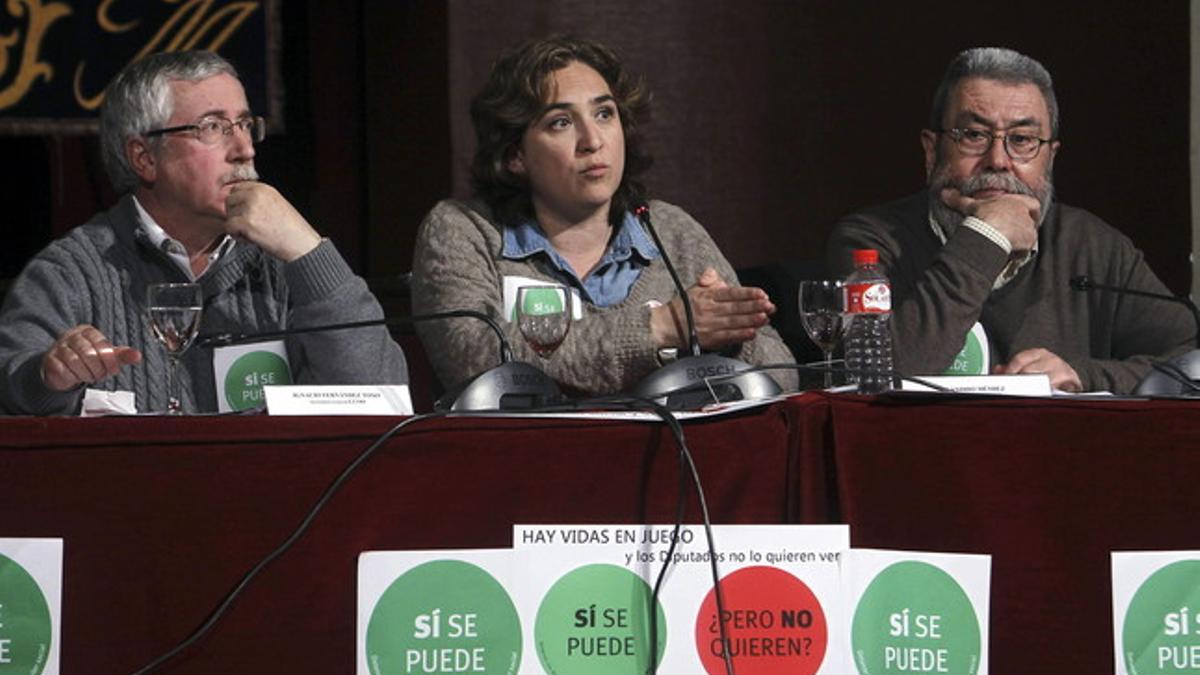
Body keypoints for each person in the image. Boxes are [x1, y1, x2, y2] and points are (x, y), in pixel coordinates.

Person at [0, 50, 407, 415]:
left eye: (246, 125)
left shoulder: (285, 262)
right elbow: (14, 390)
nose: (244, 149)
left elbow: (382, 399)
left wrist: (309, 252)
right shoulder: (71, 273)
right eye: (213, 127)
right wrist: (49, 378)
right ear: (144, 158)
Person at [412, 35, 796, 396]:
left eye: (604, 114)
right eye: (560, 122)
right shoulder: (464, 231)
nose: (593, 141)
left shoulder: (669, 230)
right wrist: (662, 329)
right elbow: (478, 362)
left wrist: (726, 336)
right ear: (515, 155)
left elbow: (781, 374)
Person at [826, 47, 1193, 393]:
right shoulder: (872, 243)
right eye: (973, 135)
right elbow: (876, 378)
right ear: (931, 149)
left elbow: (1190, 359)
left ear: (1050, 157)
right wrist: (987, 236)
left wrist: (1085, 375)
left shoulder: (1093, 245)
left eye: (1021, 139)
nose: (998, 160)